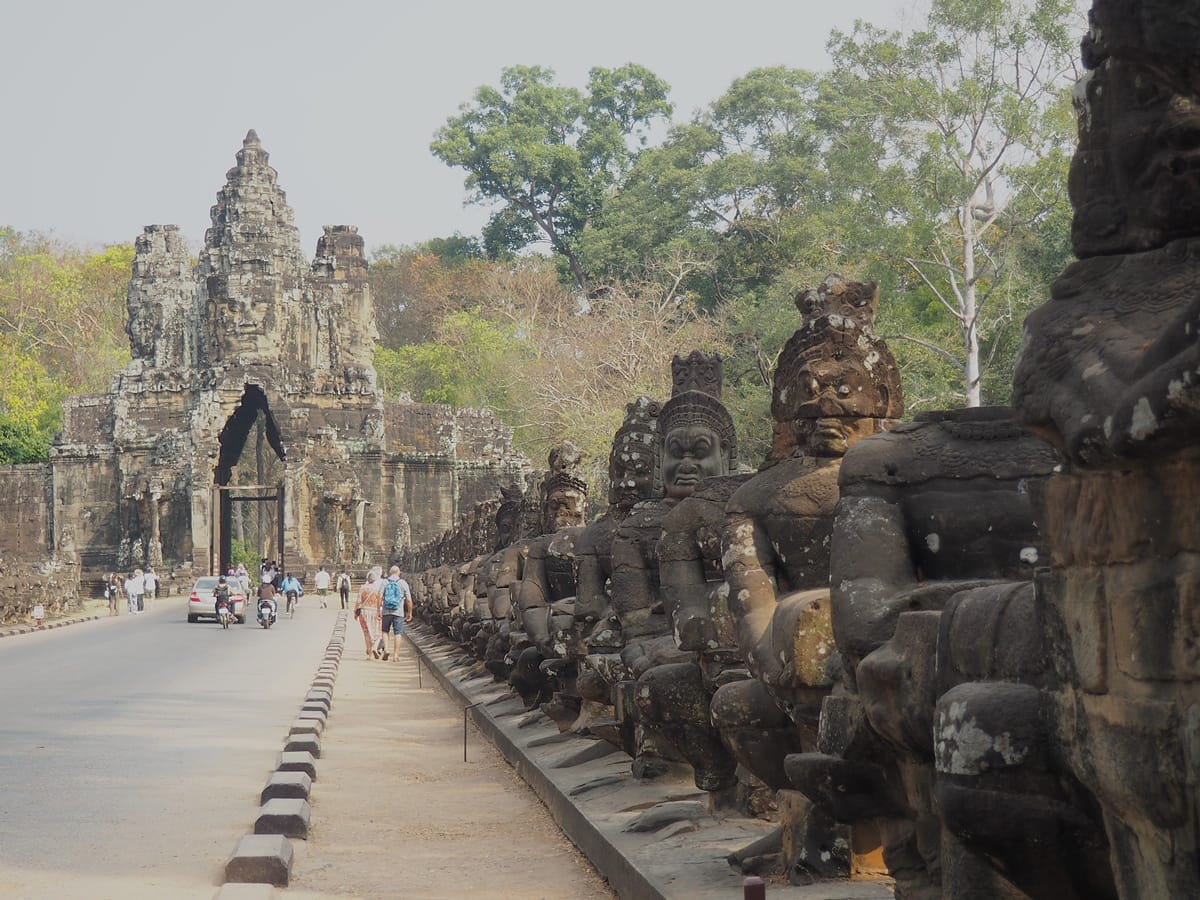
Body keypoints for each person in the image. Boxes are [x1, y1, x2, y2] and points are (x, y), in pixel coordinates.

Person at [381, 565, 413, 662]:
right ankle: (395, 655)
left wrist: (379, 610)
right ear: (399, 573)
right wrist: (410, 612)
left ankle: (386, 649)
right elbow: (408, 600)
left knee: (385, 631)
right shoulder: (403, 583)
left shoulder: (385, 582)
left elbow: (379, 596)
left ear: (390, 573)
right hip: (398, 612)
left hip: (386, 611)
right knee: (398, 633)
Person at [356, 566, 384, 659]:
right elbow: (380, 601)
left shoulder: (363, 588)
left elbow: (359, 601)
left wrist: (355, 613)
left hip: (364, 612)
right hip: (375, 611)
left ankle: (370, 654)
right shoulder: (378, 589)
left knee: (366, 632)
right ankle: (375, 647)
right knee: (378, 632)